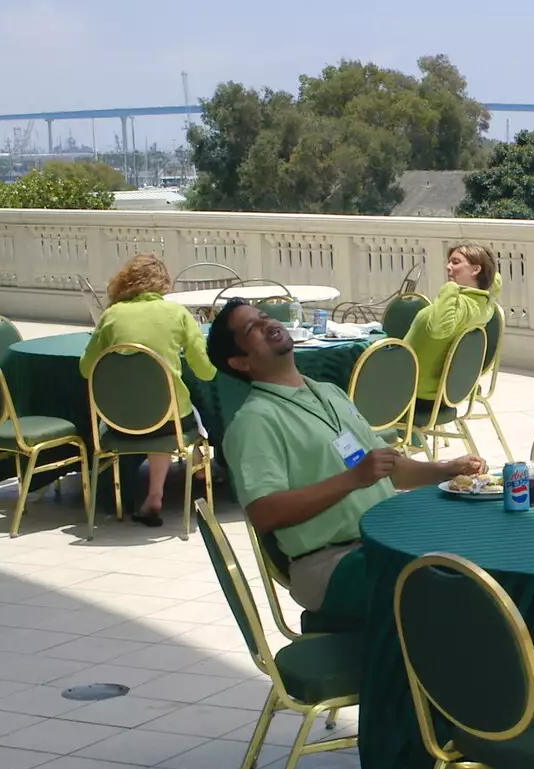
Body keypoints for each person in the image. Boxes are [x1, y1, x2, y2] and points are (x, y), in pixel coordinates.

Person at [207, 300, 482, 620]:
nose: (268, 324)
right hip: (333, 563)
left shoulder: (328, 393)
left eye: (264, 317)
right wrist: (352, 479)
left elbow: (387, 469)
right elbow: (264, 513)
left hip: (384, 543)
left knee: (477, 547)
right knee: (450, 584)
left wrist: (446, 470)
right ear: (239, 363)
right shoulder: (254, 421)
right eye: (252, 328)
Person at [78, 253, 216, 527]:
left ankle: (151, 496)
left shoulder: (111, 315)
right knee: (184, 414)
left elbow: (86, 369)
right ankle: (187, 475)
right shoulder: (177, 313)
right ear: (162, 283)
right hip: (167, 421)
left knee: (158, 412)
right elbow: (205, 371)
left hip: (120, 421)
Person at [406, 242, 503, 420]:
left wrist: (449, 289)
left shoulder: (461, 305)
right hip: (441, 393)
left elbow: (438, 329)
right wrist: (485, 275)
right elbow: (495, 282)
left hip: (411, 393)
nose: (448, 266)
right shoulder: (485, 306)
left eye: (456, 262)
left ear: (475, 269)